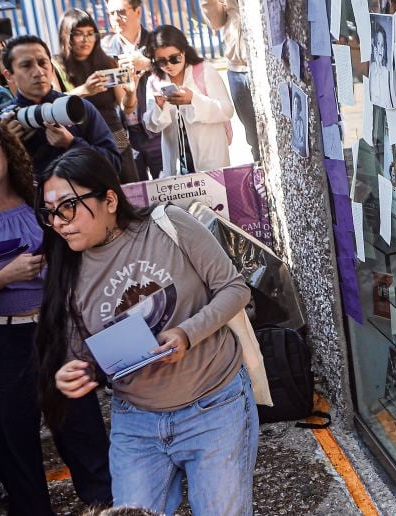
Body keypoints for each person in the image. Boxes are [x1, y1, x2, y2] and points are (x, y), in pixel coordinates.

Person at [36, 149, 257, 515]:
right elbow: (82, 353)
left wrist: (188, 333)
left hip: (215, 406)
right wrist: (72, 373)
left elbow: (235, 289)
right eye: (50, 212)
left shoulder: (168, 224)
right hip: (135, 422)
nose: (59, 222)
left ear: (109, 199)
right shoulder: (66, 270)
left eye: (68, 206)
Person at [0, 119, 113, 513]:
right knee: (14, 444)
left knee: (83, 431)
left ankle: (108, 507)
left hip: (56, 329)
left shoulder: (39, 201)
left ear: (7, 149)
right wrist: (2, 277)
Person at [0, 35, 122, 177]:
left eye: (43, 63)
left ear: (52, 69)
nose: (38, 72)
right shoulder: (1, 120)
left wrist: (72, 144)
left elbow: (114, 163)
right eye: (26, 65)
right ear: (9, 75)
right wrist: (5, 146)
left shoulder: (78, 108)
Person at [55, 9, 140, 183]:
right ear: (66, 35)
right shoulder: (56, 65)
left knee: (131, 187)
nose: (86, 40)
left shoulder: (107, 62)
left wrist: (131, 92)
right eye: (78, 34)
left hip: (116, 133)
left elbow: (126, 108)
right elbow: (53, 103)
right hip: (81, 139)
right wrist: (84, 90)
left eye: (90, 33)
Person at [143, 26, 235, 176]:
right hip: (178, 163)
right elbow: (152, 126)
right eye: (161, 61)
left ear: (184, 51)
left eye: (174, 58)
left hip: (211, 157)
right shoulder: (154, 81)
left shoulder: (204, 71)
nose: (169, 65)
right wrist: (159, 107)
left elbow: (227, 110)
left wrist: (193, 100)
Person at [195, 0, 260, 162]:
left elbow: (262, 13)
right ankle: (263, 179)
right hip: (236, 71)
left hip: (257, 69)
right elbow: (216, 21)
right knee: (254, 137)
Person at [102, 0, 161, 181]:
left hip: (156, 129)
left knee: (168, 184)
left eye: (120, 12)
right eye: (111, 13)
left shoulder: (158, 41)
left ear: (138, 11)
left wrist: (148, 63)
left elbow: (180, 68)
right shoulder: (104, 48)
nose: (115, 18)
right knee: (134, 190)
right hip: (122, 133)